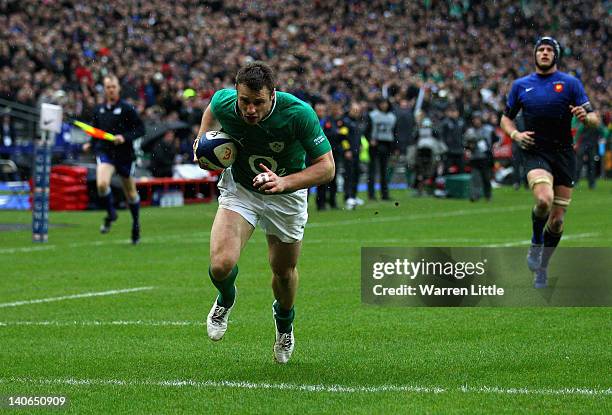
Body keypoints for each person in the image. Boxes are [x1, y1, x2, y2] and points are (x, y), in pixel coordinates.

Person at [192, 62, 334, 364]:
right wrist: (202, 142)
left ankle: (284, 325)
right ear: (237, 94)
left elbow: (327, 167)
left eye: (258, 102)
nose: (250, 109)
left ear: (273, 95)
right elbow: (211, 111)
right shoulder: (225, 101)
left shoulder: (298, 114)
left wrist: (284, 182)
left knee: (283, 273)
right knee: (220, 265)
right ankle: (225, 300)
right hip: (241, 189)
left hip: (287, 195)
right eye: (245, 101)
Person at [500, 36, 600, 288]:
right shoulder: (521, 85)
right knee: (543, 200)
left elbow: (595, 118)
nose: (544, 53)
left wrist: (585, 117)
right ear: (535, 55)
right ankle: (535, 242)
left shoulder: (570, 83)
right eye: (540, 50)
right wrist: (515, 135)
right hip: (535, 151)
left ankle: (542, 267)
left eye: (549, 50)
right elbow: (505, 119)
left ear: (556, 56)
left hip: (564, 154)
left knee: (556, 221)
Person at [82, 75, 145, 244]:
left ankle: (135, 224)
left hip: (124, 155)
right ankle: (111, 213)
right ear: (104, 89)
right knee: (102, 184)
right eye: (107, 87)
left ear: (118, 88)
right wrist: (90, 144)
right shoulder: (99, 110)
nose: (110, 90)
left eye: (113, 86)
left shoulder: (127, 109)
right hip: (106, 153)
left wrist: (124, 137)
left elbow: (140, 129)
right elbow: (96, 131)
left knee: (130, 193)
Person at [366, 98, 397, 200]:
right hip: (375, 144)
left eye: (385, 103)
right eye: (382, 103)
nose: (384, 105)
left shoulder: (392, 117)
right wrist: (370, 139)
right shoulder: (373, 115)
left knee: (384, 171)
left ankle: (384, 194)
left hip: (386, 144)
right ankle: (371, 194)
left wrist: (395, 147)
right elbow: (366, 130)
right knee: (372, 170)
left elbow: (394, 132)